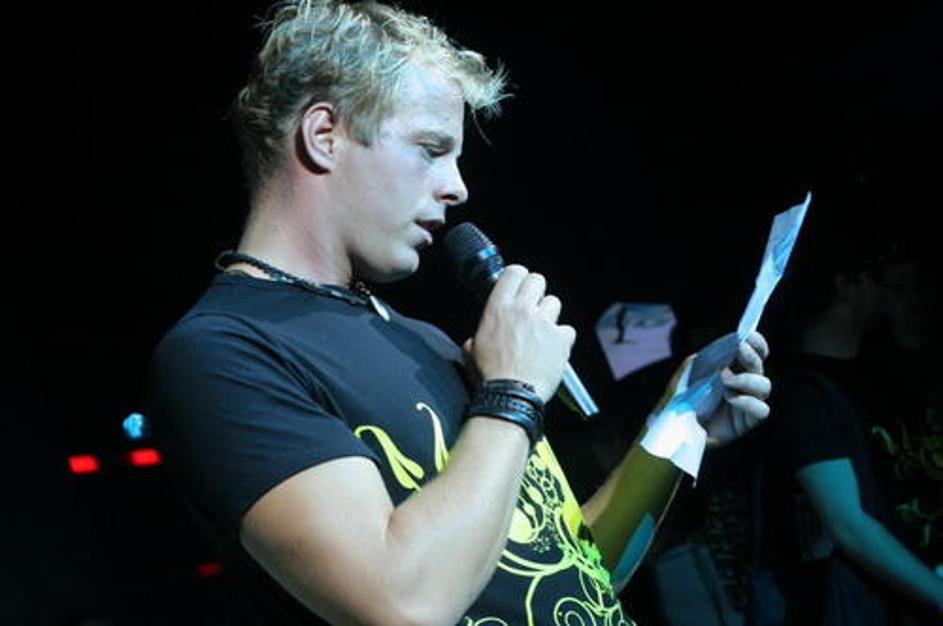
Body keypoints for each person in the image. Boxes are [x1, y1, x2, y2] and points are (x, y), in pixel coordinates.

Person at [146, 2, 771, 624]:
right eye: (430, 148)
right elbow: (401, 605)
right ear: (324, 136)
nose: (457, 186)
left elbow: (570, 579)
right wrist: (514, 391)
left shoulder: (425, 342)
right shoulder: (224, 352)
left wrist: (678, 424)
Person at [758, 210, 943, 625]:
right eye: (876, 278)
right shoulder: (805, 394)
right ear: (845, 285)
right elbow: (849, 524)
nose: (885, 290)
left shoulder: (878, 372)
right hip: (884, 604)